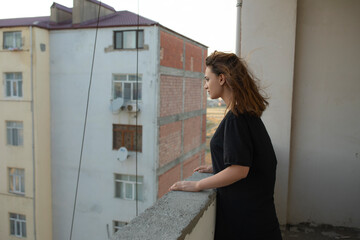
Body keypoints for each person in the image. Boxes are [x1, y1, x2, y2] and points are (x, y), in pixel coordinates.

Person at [169, 51, 282, 240]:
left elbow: (239, 170)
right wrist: (218, 167)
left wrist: (198, 184)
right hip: (258, 218)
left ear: (221, 78)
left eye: (207, 79)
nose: (205, 85)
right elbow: (250, 159)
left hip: (247, 224)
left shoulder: (236, 118)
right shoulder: (247, 113)